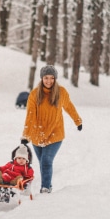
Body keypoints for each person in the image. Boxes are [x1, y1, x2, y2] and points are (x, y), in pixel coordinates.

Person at [21, 65, 82, 194]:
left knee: (46, 161)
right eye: (46, 78)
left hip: (55, 134)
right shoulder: (34, 94)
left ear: (55, 79)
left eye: (52, 78)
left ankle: (45, 188)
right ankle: (47, 184)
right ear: (42, 78)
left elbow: (69, 107)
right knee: (43, 163)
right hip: (37, 135)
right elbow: (30, 116)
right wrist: (26, 135)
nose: (49, 81)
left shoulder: (61, 92)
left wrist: (78, 121)